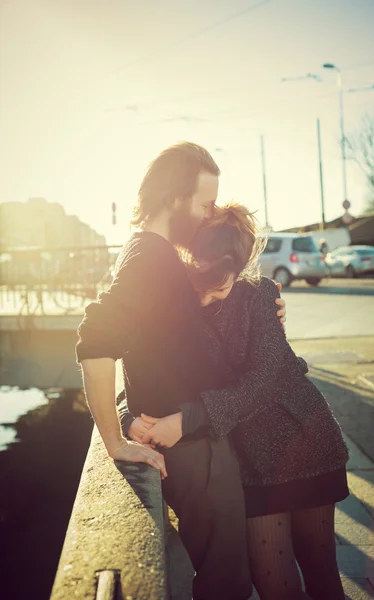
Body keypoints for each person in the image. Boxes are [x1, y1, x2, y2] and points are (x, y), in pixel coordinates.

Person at [76, 142, 286, 600]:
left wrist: (263, 309)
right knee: (227, 586)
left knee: (223, 580)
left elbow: (153, 347)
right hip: (196, 454)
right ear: (174, 198)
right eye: (205, 203)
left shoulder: (147, 251)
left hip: (191, 442)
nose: (211, 214)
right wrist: (115, 440)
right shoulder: (152, 257)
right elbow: (95, 339)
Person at [119, 204, 350, 600]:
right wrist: (126, 416)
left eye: (220, 288)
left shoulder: (259, 295)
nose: (207, 298)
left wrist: (186, 419)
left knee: (322, 576)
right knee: (274, 585)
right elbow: (146, 365)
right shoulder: (176, 303)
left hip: (303, 441)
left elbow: (263, 382)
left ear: (240, 271)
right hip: (248, 461)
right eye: (199, 286)